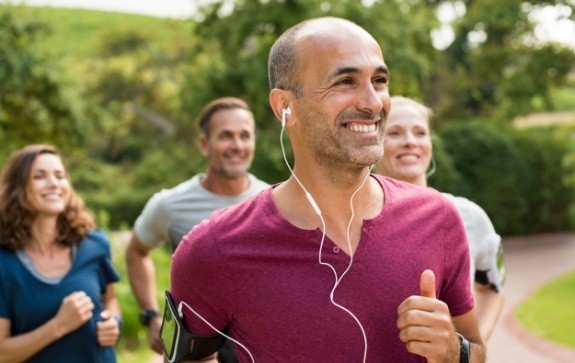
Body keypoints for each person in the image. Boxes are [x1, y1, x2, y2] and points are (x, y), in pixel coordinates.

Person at [170, 16, 485, 362]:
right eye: (345, 81)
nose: (373, 102)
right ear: (284, 107)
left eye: (379, 81)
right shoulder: (214, 249)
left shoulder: (437, 218)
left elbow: (477, 349)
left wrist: (458, 352)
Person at [125, 97, 269, 361]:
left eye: (244, 136)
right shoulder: (170, 205)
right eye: (226, 136)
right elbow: (136, 252)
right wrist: (151, 316)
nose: (237, 145)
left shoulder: (270, 201)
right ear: (204, 144)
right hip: (194, 351)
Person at [375, 96, 506, 341]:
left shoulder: (469, 216)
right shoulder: (353, 222)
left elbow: (493, 289)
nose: (410, 142)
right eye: (394, 133)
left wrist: (470, 352)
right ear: (374, 143)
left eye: (420, 133)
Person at [0, 144, 121, 362]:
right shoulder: (4, 262)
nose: (54, 183)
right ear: (17, 188)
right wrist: (58, 326)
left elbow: (110, 300)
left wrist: (113, 322)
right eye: (39, 176)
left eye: (60, 175)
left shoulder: (96, 243)